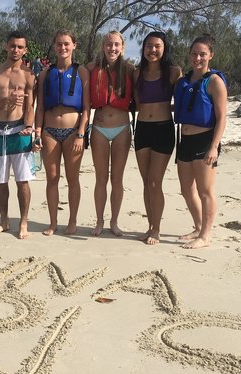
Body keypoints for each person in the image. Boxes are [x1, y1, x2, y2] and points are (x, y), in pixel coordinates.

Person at [33, 30, 90, 236]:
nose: (63, 47)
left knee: (73, 178)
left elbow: (87, 108)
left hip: (73, 132)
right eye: (59, 44)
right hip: (49, 132)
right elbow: (40, 107)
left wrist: (81, 133)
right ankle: (53, 222)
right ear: (54, 46)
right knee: (52, 178)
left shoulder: (81, 72)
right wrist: (37, 133)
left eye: (66, 43)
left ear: (74, 45)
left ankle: (72, 221)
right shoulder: (44, 74)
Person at [173, 33, 227, 249]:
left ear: (210, 55)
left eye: (202, 54)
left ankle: (205, 235)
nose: (197, 58)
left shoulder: (214, 82)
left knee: (205, 191)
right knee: (186, 189)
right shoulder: (183, 81)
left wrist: (213, 147)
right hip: (184, 140)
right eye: (194, 54)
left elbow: (222, 117)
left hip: (205, 140)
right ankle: (198, 226)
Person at [0, 31, 36, 239]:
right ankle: (4, 221)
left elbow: (30, 106)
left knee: (23, 180)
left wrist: (29, 127)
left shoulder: (29, 75)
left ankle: (23, 222)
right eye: (13, 46)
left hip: (20, 129)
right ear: (6, 46)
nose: (16, 50)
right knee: (1, 180)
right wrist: (6, 100)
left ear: (25, 50)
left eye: (20, 47)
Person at [132, 31, 182, 245]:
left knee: (154, 181)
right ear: (143, 49)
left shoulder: (173, 72)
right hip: (142, 128)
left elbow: (181, 100)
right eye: (149, 46)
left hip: (163, 129)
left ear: (164, 48)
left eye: (157, 46)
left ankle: (157, 229)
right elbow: (137, 103)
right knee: (146, 182)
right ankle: (150, 225)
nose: (152, 50)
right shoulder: (137, 73)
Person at [87, 31, 135, 237]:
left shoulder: (130, 69)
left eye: (116, 44)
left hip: (122, 129)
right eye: (108, 44)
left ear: (122, 47)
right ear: (103, 47)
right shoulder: (91, 68)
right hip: (99, 128)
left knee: (117, 178)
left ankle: (114, 222)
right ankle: (99, 221)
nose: (112, 48)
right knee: (101, 178)